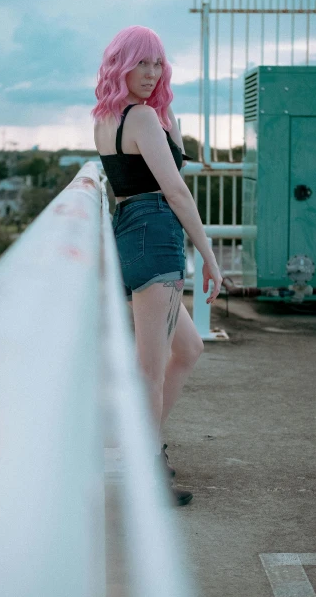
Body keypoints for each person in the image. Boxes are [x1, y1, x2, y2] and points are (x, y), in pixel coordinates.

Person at [92, 26, 223, 506]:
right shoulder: (141, 117)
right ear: (120, 65)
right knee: (149, 366)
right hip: (154, 230)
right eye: (141, 63)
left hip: (131, 227)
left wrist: (166, 115)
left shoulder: (111, 118)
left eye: (158, 64)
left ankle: (144, 444)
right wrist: (208, 256)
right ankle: (145, 472)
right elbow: (176, 190)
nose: (151, 73)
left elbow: (149, 170)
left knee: (186, 349)